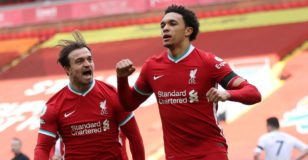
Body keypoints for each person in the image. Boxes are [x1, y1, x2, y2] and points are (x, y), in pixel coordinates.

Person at [116, 4, 262, 160]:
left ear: (188, 31)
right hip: (175, 156)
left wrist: (227, 94)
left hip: (210, 152)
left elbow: (254, 93)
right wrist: (122, 78)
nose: (165, 28)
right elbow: (129, 104)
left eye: (172, 24)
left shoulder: (208, 62)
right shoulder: (152, 67)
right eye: (163, 25)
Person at [34, 31, 145, 160]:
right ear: (67, 69)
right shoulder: (54, 106)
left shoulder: (112, 95)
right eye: (80, 61)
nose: (87, 64)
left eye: (89, 59)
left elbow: (135, 138)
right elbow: (42, 148)